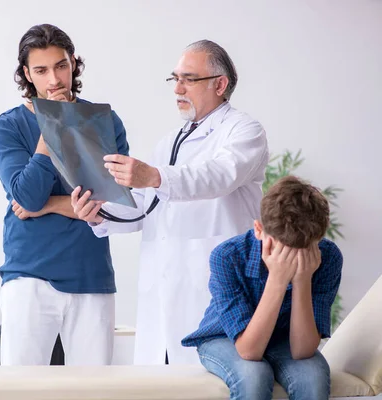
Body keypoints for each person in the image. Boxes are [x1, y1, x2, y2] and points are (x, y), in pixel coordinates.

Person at [71, 39, 269, 364]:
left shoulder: (244, 131)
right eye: (175, 78)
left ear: (220, 84)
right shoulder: (169, 142)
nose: (178, 88)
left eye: (189, 79)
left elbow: (217, 176)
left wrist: (153, 177)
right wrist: (99, 213)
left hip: (213, 291)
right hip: (161, 299)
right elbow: (145, 209)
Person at [0, 23, 130, 365]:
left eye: (61, 66)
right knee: (21, 389)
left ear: (73, 64)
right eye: (41, 70)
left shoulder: (106, 122)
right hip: (29, 275)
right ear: (27, 74)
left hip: (90, 273)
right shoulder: (6, 127)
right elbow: (28, 195)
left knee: (94, 389)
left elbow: (115, 200)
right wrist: (53, 126)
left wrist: (45, 206)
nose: (54, 79)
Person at [182, 176, 343, 400]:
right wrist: (277, 278)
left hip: (284, 339)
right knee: (253, 376)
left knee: (312, 378)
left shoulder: (328, 257)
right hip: (224, 338)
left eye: (303, 252)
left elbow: (302, 351)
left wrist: (302, 279)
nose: (293, 259)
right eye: (284, 250)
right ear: (259, 229)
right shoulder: (227, 256)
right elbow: (249, 351)